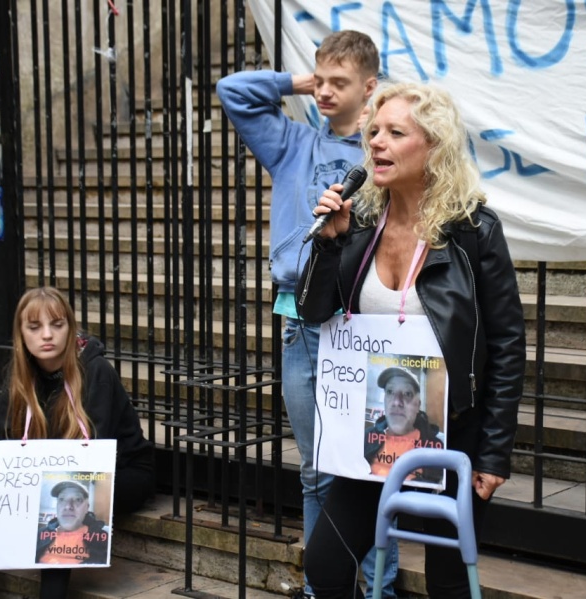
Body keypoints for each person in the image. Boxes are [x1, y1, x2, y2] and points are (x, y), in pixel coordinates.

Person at [297, 82, 526, 598]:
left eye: (396, 133)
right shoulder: (358, 223)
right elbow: (313, 311)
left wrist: (493, 454)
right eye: (374, 132)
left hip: (452, 437)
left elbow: (508, 345)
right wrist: (329, 244)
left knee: (447, 584)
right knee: (326, 565)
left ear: (433, 147)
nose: (376, 142)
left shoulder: (473, 231)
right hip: (376, 436)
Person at [217, 31, 401, 598]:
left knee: (375, 467)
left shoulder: (383, 151)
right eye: (319, 80)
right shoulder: (292, 143)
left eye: (339, 83)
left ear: (369, 87)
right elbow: (232, 90)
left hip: (365, 324)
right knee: (317, 468)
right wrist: (301, 81)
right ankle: (325, 589)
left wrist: (371, 110)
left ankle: (380, 589)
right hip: (301, 323)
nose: (324, 92)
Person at [0, 287, 155, 599]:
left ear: (69, 328)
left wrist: (34, 476)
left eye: (57, 325)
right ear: (22, 334)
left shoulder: (96, 370)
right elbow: (6, 440)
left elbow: (91, 455)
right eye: (35, 327)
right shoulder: (19, 375)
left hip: (122, 471)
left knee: (64, 497)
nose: (47, 335)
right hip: (52, 468)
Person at [364, 367, 443, 483]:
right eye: (390, 392)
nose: (397, 402)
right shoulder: (366, 437)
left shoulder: (436, 448)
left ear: (418, 405)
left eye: (407, 394)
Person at [35, 480, 110, 565]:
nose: (68, 506)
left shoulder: (103, 539)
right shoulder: (40, 534)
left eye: (78, 499)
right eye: (62, 499)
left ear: (86, 507)